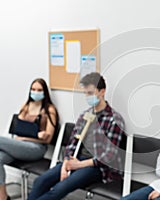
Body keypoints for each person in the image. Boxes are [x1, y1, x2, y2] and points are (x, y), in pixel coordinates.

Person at [28, 72, 126, 200]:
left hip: (98, 168)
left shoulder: (114, 119)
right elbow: (72, 144)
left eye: (90, 93)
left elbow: (107, 157)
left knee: (59, 189)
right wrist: (65, 165)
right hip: (76, 160)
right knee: (40, 181)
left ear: (102, 92)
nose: (87, 96)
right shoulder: (84, 115)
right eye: (85, 93)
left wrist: (78, 165)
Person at [0, 78, 59, 200]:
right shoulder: (26, 106)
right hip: (19, 146)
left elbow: (47, 139)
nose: (35, 92)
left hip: (36, 149)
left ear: (44, 92)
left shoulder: (49, 110)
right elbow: (18, 128)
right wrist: (23, 136)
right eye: (33, 89)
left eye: (39, 90)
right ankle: (3, 196)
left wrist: (29, 137)